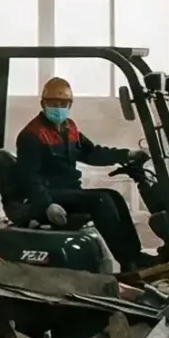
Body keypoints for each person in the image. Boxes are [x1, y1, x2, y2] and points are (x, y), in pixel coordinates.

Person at [14, 75, 146, 270]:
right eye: (53, 103)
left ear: (70, 104)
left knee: (114, 196)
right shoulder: (32, 135)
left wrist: (127, 154)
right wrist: (47, 205)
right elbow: (28, 178)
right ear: (42, 103)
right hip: (50, 194)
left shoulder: (69, 128)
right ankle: (128, 263)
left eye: (63, 103)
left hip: (69, 191)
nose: (58, 107)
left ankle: (136, 256)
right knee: (101, 201)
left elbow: (91, 153)